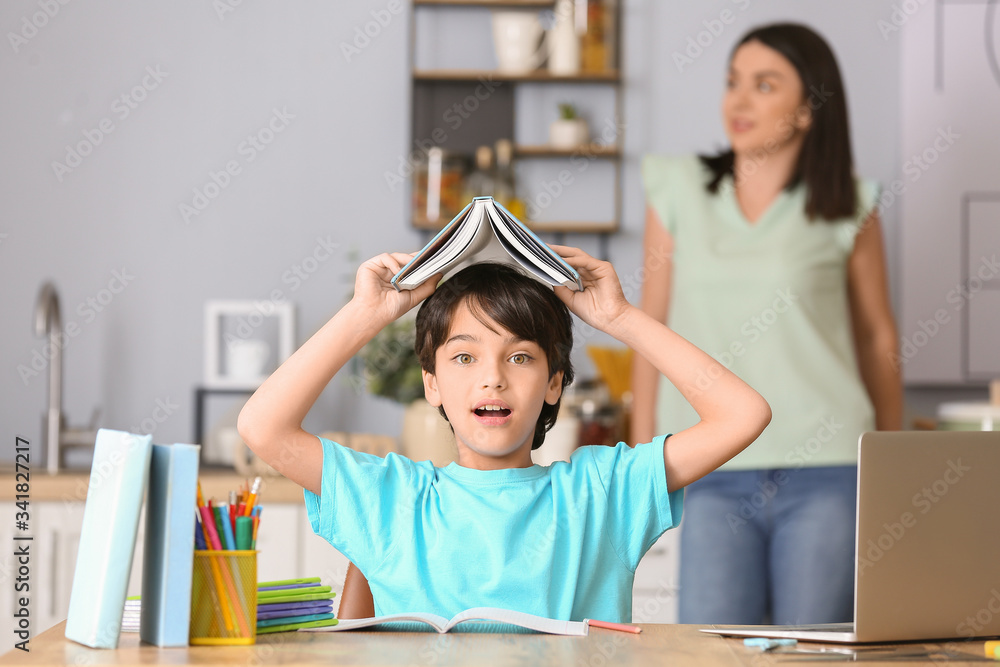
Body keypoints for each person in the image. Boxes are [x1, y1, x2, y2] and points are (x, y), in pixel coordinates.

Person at [239, 246, 771, 621]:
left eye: (519, 357)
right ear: (433, 386)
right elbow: (261, 427)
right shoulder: (391, 497)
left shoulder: (604, 492)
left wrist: (619, 317)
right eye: (464, 357)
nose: (492, 376)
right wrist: (366, 314)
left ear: (554, 384)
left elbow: (742, 415)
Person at [632, 23, 903, 626]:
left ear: (808, 108)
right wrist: (642, 462)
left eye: (764, 85)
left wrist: (892, 465)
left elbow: (876, 335)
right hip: (708, 462)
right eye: (732, 83)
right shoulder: (675, 188)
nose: (739, 100)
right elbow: (648, 326)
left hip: (830, 466)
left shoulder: (850, 204)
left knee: (814, 653)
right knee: (710, 653)